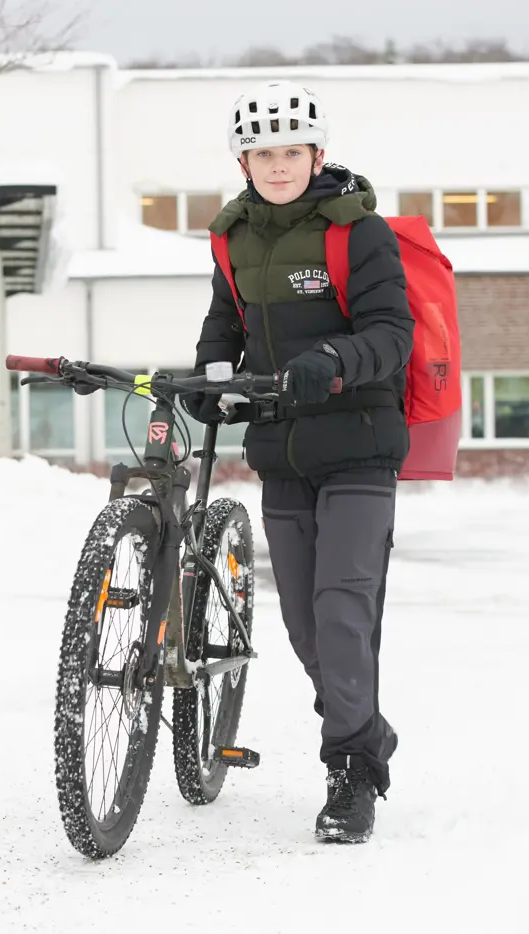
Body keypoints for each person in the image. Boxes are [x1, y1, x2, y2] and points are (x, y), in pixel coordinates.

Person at [181, 80, 414, 844]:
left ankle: (350, 774)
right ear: (243, 160)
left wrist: (334, 362)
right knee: (306, 631)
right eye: (262, 153)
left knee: (344, 615)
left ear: (318, 154)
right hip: (281, 450)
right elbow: (226, 325)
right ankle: (365, 732)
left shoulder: (360, 233)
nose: (277, 166)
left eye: (291, 151)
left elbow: (391, 335)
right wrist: (211, 379)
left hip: (358, 448)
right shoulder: (233, 236)